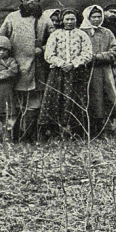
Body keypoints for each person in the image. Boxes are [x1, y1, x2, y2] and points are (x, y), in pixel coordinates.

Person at [0, 0, 55, 142]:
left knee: (35, 102)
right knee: (17, 102)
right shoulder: (12, 18)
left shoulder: (44, 19)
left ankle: (30, 135)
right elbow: (0, 38)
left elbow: (55, 39)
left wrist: (42, 49)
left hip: (37, 68)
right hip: (16, 67)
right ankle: (14, 135)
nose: (32, 2)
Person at [38, 8, 93, 140]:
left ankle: (74, 131)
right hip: (58, 73)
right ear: (62, 20)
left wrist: (73, 64)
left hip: (77, 73)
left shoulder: (82, 35)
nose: (69, 22)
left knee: (75, 99)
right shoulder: (56, 34)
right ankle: (54, 131)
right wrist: (61, 63)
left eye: (72, 19)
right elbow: (49, 54)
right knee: (56, 99)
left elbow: (87, 53)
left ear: (76, 20)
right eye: (67, 19)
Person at [80, 5, 116, 137]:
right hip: (85, 71)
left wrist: (98, 57)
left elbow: (115, 51)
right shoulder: (81, 32)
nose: (97, 19)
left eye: (99, 17)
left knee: (104, 96)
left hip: (103, 71)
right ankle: (86, 127)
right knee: (88, 96)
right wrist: (85, 58)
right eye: (94, 17)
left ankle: (105, 126)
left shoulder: (107, 33)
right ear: (88, 17)